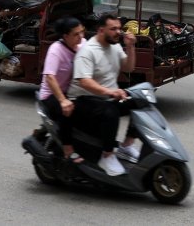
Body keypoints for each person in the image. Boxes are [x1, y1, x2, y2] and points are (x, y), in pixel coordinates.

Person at [68, 13, 138, 177]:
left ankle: (127, 146)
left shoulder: (115, 46)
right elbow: (84, 81)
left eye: (119, 28)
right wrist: (110, 92)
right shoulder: (88, 51)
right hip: (82, 100)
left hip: (106, 97)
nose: (118, 32)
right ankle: (107, 155)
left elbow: (128, 68)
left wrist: (130, 47)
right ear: (101, 30)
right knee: (110, 112)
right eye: (113, 29)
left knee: (140, 100)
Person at [38, 16, 85, 163]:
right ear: (65, 36)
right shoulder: (56, 50)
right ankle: (68, 149)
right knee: (68, 111)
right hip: (51, 95)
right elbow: (50, 77)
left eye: (82, 32)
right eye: (76, 34)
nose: (80, 36)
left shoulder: (82, 44)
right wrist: (63, 100)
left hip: (71, 91)